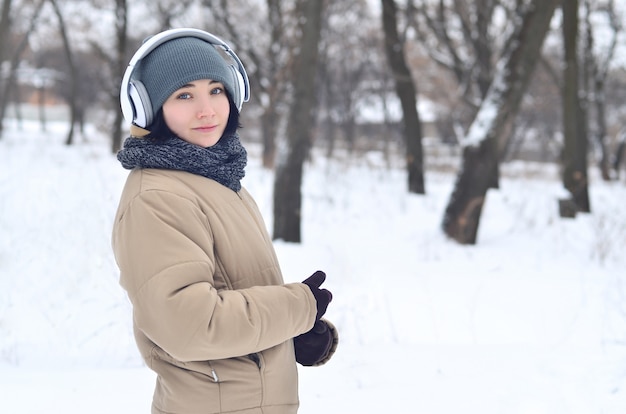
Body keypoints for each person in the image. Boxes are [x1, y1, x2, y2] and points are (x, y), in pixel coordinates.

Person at [111, 28, 338, 414]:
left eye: (216, 90)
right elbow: (191, 325)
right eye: (184, 95)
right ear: (148, 107)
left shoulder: (219, 182)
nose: (207, 109)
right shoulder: (158, 198)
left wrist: (291, 335)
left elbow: (235, 291)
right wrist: (296, 308)